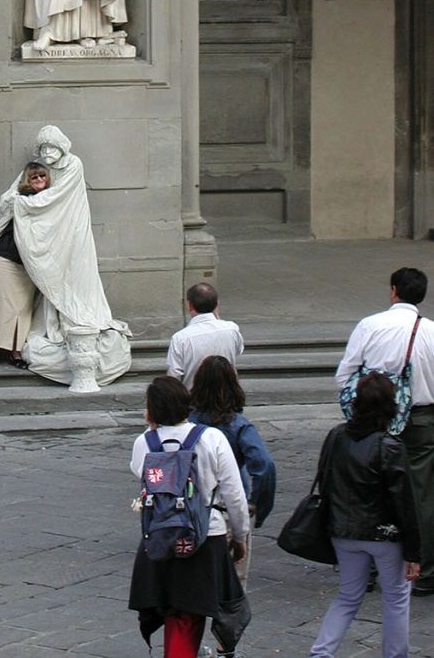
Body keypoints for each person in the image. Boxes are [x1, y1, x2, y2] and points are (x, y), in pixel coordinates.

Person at [128, 376, 250, 658]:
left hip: (160, 536)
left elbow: (141, 474)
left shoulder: (143, 443)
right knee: (191, 613)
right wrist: (240, 536)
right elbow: (235, 495)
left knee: (174, 610)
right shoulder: (211, 438)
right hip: (206, 534)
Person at [308, 372, 423, 656]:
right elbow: (405, 504)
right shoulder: (390, 447)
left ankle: (321, 652)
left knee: (347, 596)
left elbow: (325, 478)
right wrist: (414, 552)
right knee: (396, 598)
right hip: (384, 536)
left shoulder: (336, 436)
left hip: (343, 531)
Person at [335, 267, 434, 596]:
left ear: (393, 291)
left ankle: (369, 568)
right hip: (421, 419)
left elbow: (345, 375)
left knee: (371, 490)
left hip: (374, 421)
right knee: (420, 492)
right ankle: (424, 568)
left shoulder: (370, 325)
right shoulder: (431, 332)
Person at [13, 125, 132, 391]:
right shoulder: (40, 167)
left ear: (62, 147)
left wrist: (23, 204)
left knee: (77, 283)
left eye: (52, 148)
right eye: (43, 149)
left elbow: (54, 198)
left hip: (74, 235)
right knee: (55, 286)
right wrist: (14, 199)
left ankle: (81, 327)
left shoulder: (73, 165)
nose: (48, 153)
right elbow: (17, 189)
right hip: (53, 239)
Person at [189, 355, 276, 583]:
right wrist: (257, 505)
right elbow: (265, 466)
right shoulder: (238, 426)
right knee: (233, 585)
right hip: (228, 505)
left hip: (189, 505)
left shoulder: (186, 422)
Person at [0, 161, 49, 368]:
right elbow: (4, 206)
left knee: (21, 308)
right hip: (3, 256)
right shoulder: (18, 198)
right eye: (34, 177)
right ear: (27, 180)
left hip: (26, 263)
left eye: (42, 176)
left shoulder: (50, 200)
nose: (39, 180)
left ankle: (15, 352)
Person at [167, 282, 245, 390]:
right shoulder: (231, 329)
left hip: (195, 400)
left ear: (190, 306)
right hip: (227, 398)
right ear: (217, 304)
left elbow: (174, 376)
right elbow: (237, 351)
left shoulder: (180, 338)